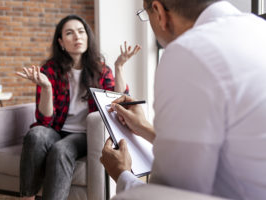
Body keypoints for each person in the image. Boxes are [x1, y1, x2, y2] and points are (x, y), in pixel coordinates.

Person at [100, 1, 266, 199]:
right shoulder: (258, 28)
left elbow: (173, 193)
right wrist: (143, 126)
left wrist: (122, 174)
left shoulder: (190, 51)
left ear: (159, 12)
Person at [16, 14, 141, 200]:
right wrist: (46, 87)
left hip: (84, 134)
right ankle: (26, 197)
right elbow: (44, 120)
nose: (77, 37)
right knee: (35, 134)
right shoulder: (49, 70)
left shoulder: (101, 70)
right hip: (57, 129)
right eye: (70, 33)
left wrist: (119, 67)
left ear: (88, 37)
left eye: (81, 32)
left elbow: (118, 101)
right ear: (61, 42)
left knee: (61, 150)